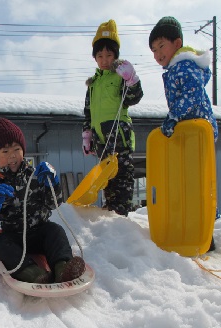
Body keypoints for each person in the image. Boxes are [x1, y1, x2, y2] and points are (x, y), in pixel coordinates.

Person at [0, 117, 86, 285]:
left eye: (16, 149)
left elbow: (53, 204)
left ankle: (62, 268)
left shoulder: (36, 175)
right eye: (5, 152)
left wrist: (54, 183)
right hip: (14, 237)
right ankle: (33, 273)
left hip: (40, 232)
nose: (12, 155)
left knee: (55, 230)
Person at [83, 20, 144, 215]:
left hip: (119, 138)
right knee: (106, 179)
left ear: (115, 55)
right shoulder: (93, 84)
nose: (104, 59)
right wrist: (87, 135)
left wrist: (132, 80)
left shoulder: (120, 76)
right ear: (95, 58)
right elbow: (88, 112)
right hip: (101, 140)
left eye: (109, 55)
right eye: (100, 55)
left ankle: (121, 214)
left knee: (122, 178)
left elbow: (134, 98)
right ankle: (110, 212)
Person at [149, 16, 218, 142]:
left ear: (177, 44)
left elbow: (193, 94)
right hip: (189, 128)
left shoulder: (185, 66)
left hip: (199, 127)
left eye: (161, 46)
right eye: (154, 50)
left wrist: (174, 116)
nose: (157, 54)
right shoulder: (175, 69)